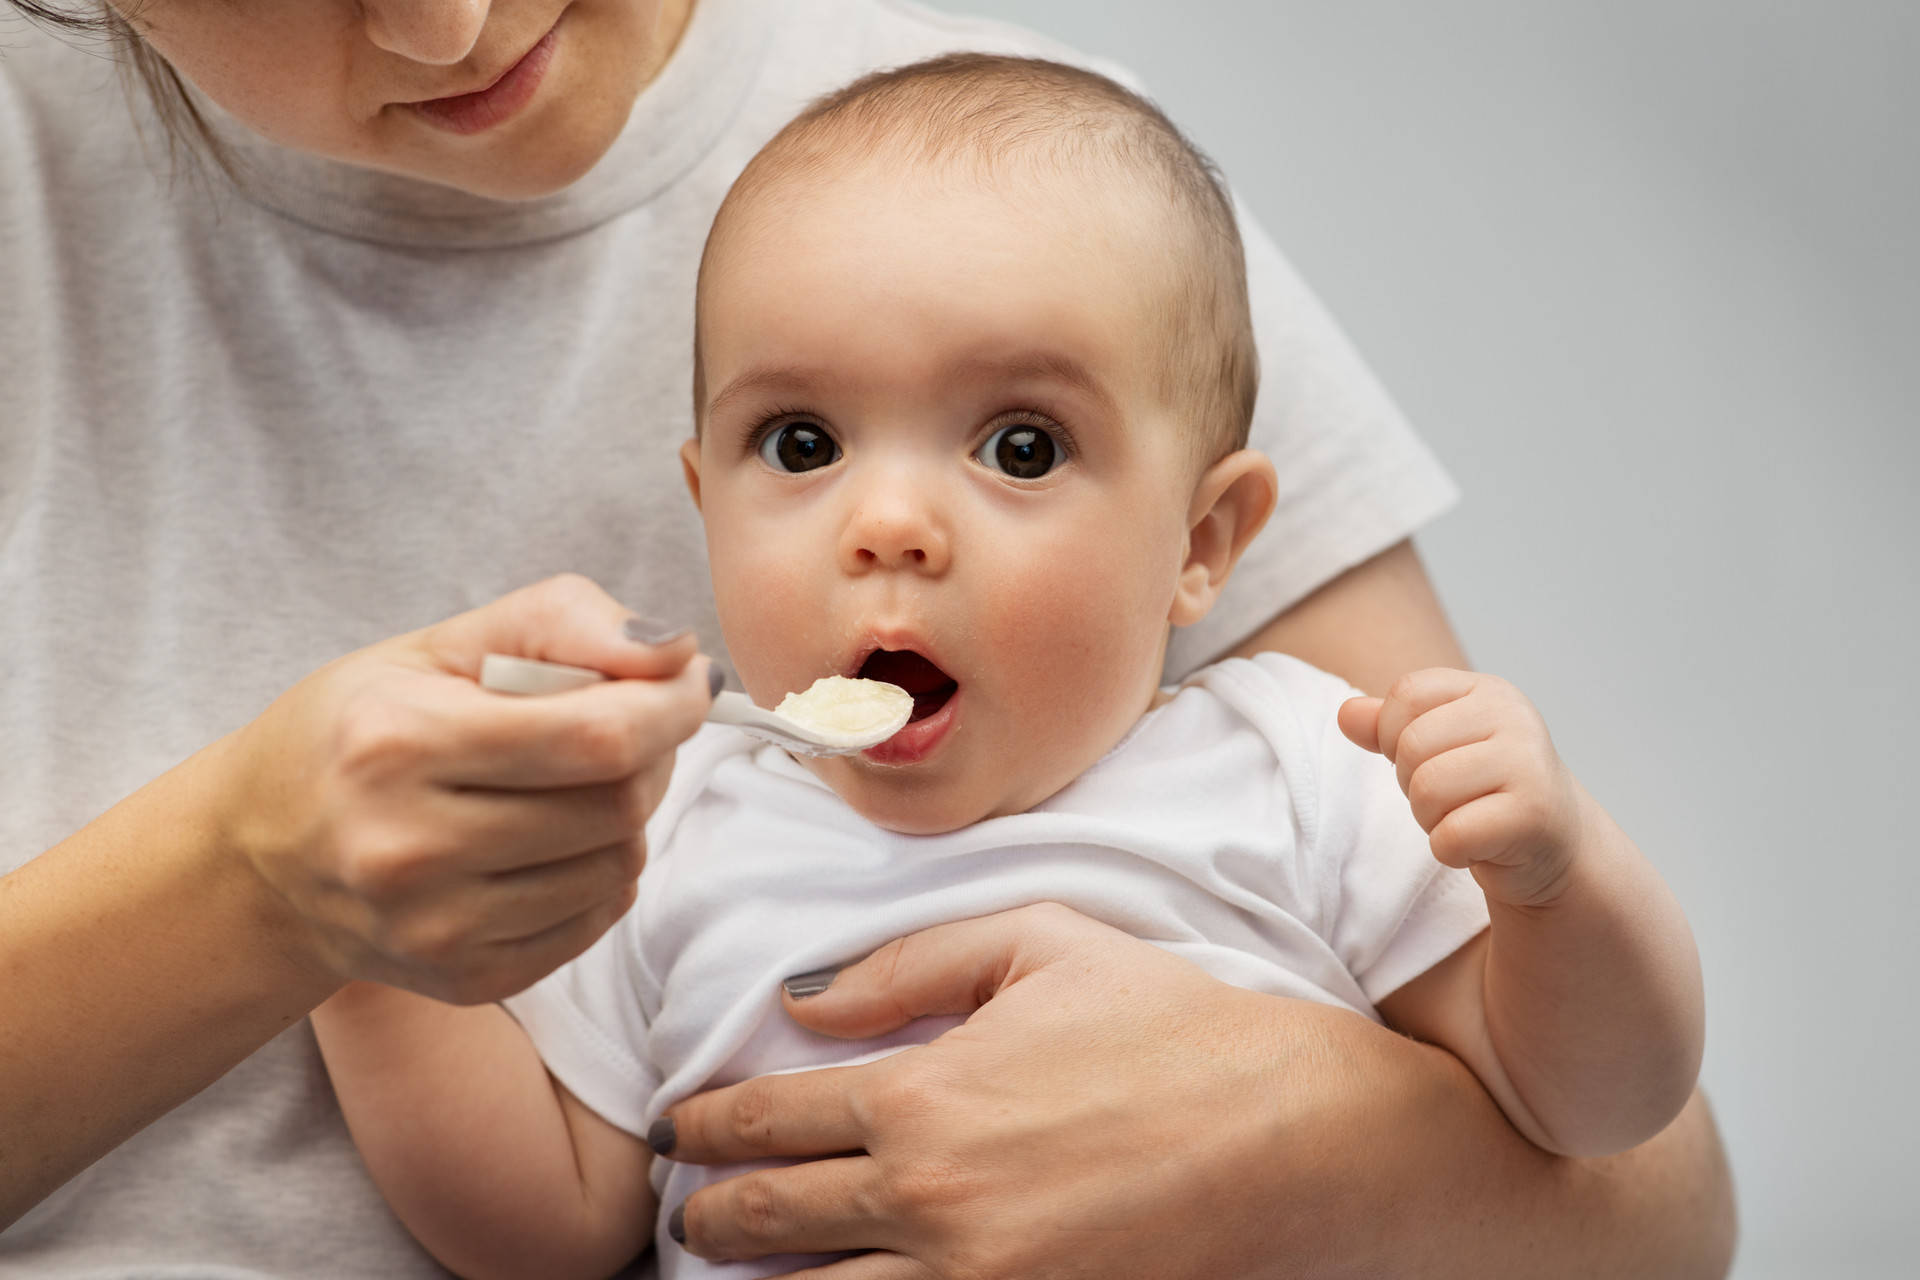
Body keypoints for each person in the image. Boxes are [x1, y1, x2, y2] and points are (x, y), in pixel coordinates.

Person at [0, 1, 1735, 1277]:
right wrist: (356, 951)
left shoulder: (1293, 764)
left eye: (1022, 450)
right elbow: (549, 1226)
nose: (886, 524)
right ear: (695, 500)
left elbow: (1614, 1135)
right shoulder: (679, 841)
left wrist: (1559, 887)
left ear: (1203, 542)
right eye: (801, 448)